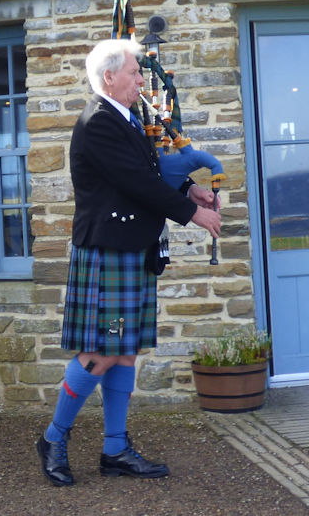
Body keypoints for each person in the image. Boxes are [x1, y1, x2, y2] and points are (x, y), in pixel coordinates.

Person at [37, 38, 222, 487]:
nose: (142, 80)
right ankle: (53, 437)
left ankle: (115, 449)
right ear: (109, 77)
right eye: (136, 73)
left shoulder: (127, 119)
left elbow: (149, 176)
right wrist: (193, 213)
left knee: (123, 353)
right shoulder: (99, 122)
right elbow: (135, 181)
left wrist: (187, 191)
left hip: (130, 251)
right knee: (101, 351)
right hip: (109, 255)